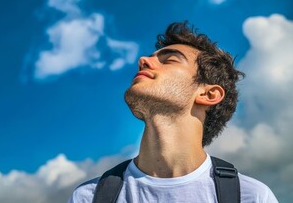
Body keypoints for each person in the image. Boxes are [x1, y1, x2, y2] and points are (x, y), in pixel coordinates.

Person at [68, 22, 278, 202]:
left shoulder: (251, 196)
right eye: (150, 58)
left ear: (209, 94)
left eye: (169, 60)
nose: (143, 60)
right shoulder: (90, 197)